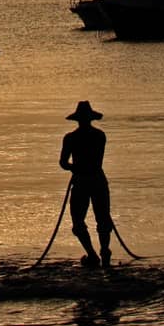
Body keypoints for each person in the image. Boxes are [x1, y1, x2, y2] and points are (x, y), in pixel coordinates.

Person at [59, 99, 112, 268]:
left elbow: (63, 163)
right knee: (102, 219)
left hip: (82, 180)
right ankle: (103, 252)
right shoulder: (99, 136)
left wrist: (75, 168)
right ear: (91, 118)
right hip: (97, 179)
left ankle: (93, 254)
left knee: (79, 220)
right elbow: (97, 160)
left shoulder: (70, 138)